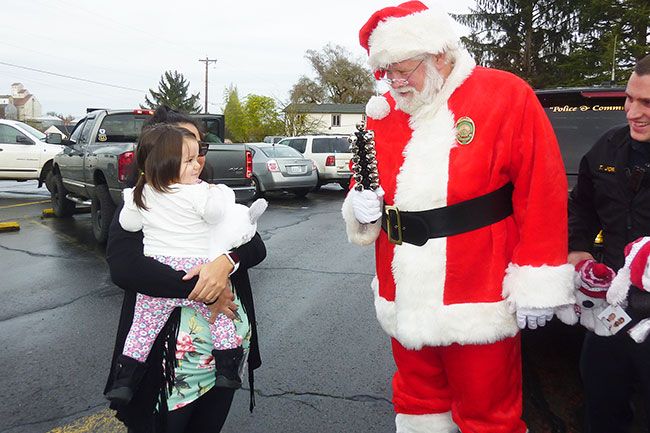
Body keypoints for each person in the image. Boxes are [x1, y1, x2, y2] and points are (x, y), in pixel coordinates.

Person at [341, 2, 574, 432]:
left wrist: (539, 274)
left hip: (479, 291)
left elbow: (541, 186)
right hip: (403, 290)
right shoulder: (384, 114)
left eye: (402, 69)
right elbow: (367, 179)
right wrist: (360, 207)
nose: (393, 82)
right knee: (417, 404)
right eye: (386, 71)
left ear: (438, 53)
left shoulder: (504, 94)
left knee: (487, 414)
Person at [104, 106, 266, 433]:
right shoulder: (142, 197)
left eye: (199, 148)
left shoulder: (206, 195)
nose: (197, 158)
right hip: (167, 363)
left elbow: (255, 243)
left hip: (223, 355)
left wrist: (225, 263)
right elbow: (125, 267)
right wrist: (205, 289)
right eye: (184, 148)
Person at [568, 53, 650, 433]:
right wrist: (578, 248)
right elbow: (581, 206)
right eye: (630, 99)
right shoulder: (606, 148)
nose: (632, 112)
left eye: (647, 103)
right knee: (601, 403)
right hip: (612, 308)